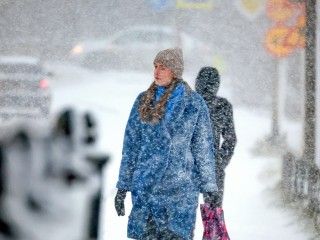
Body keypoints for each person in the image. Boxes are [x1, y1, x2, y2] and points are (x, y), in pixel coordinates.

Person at [114, 47, 218, 240]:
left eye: (162, 67)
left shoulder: (194, 104)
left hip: (180, 191)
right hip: (146, 188)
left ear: (175, 71)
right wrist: (123, 186)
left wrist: (209, 187)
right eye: (155, 66)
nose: (156, 72)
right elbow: (130, 147)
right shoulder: (143, 100)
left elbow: (203, 147)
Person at [195, 67, 237, 208]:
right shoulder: (222, 106)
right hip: (212, 168)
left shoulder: (187, 103)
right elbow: (230, 139)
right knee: (213, 217)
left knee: (183, 219)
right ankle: (211, 230)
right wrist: (220, 161)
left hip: (187, 167)